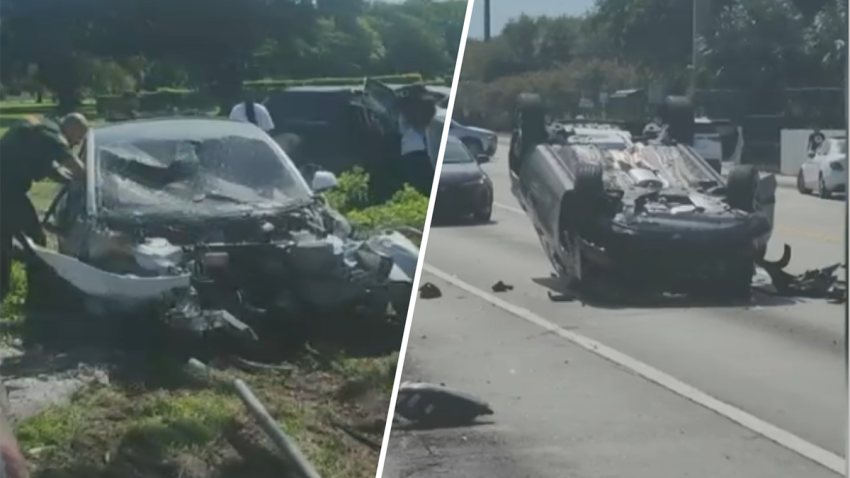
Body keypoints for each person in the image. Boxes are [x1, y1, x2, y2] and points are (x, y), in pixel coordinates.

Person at [0, 114, 88, 305]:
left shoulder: (42, 126)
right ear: (71, 129)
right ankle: (39, 291)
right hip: (6, 193)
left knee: (5, 240)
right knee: (36, 239)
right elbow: (78, 168)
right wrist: (93, 181)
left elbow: (50, 167)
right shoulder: (52, 136)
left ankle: (5, 289)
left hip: (6, 190)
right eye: (79, 137)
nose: (77, 143)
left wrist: (68, 179)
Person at [395, 88, 438, 196]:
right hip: (422, 151)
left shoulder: (405, 115)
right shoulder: (428, 116)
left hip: (409, 151)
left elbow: (401, 129)